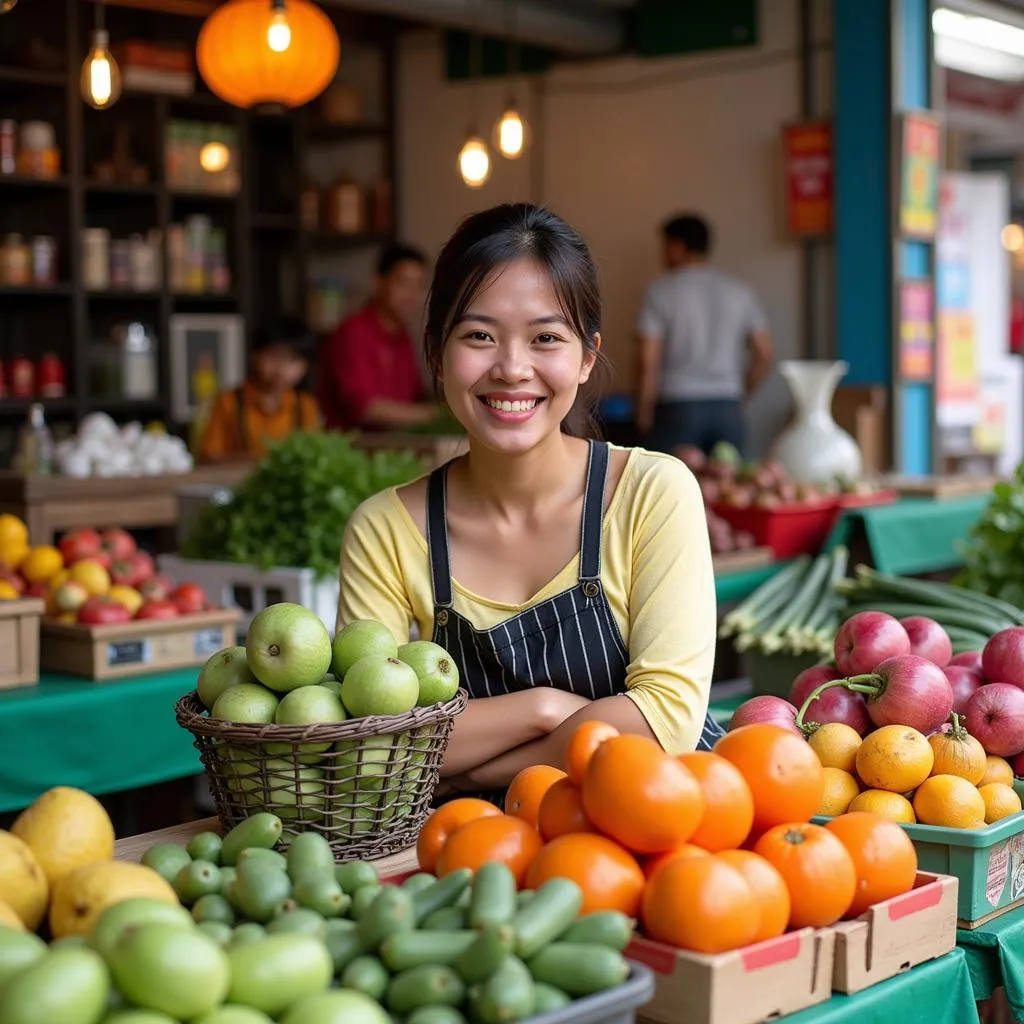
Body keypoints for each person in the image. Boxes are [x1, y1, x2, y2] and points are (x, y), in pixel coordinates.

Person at [337, 203, 723, 797]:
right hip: (466, 858)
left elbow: (666, 721)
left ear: (587, 356)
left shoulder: (652, 493)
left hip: (647, 843)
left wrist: (460, 770)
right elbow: (374, 750)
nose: (512, 368)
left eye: (546, 338)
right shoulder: (386, 529)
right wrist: (546, 710)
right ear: (438, 354)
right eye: (479, 336)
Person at [634, 213, 774, 456]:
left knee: (671, 490)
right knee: (729, 489)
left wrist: (643, 410)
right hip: (727, 405)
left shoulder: (660, 291)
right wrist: (740, 393)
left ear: (677, 246)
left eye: (665, 246)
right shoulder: (739, 291)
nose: (662, 254)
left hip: (677, 407)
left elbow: (648, 361)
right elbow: (764, 353)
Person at [318, 243, 438, 431]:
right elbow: (367, 409)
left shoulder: (402, 336)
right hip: (353, 449)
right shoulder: (353, 333)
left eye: (419, 285)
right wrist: (439, 414)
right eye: (403, 283)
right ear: (378, 283)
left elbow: (416, 395)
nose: (412, 294)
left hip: (393, 445)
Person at [198, 316, 320, 463]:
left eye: (292, 360)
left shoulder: (305, 405)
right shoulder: (229, 402)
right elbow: (208, 457)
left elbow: (314, 456)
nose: (282, 368)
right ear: (255, 355)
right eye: (274, 356)